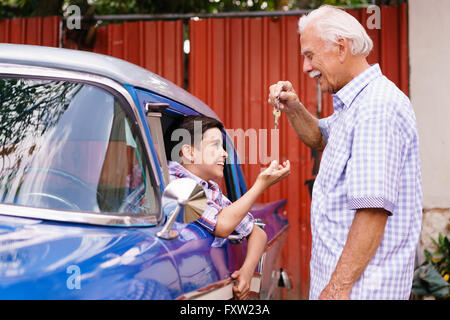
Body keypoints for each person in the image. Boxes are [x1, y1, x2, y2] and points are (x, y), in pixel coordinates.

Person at [268, 5, 422, 300]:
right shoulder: (355, 105)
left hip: (360, 292)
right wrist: (293, 107)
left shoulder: (376, 107)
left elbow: (372, 210)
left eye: (310, 55)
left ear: (341, 48)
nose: (305, 67)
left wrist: (337, 288)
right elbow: (320, 139)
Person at [168, 115, 290, 300]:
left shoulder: (210, 190)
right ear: (189, 152)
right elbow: (222, 226)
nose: (224, 153)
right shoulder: (173, 179)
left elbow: (259, 234)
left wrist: (247, 272)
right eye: (215, 145)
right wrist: (260, 185)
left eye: (223, 147)